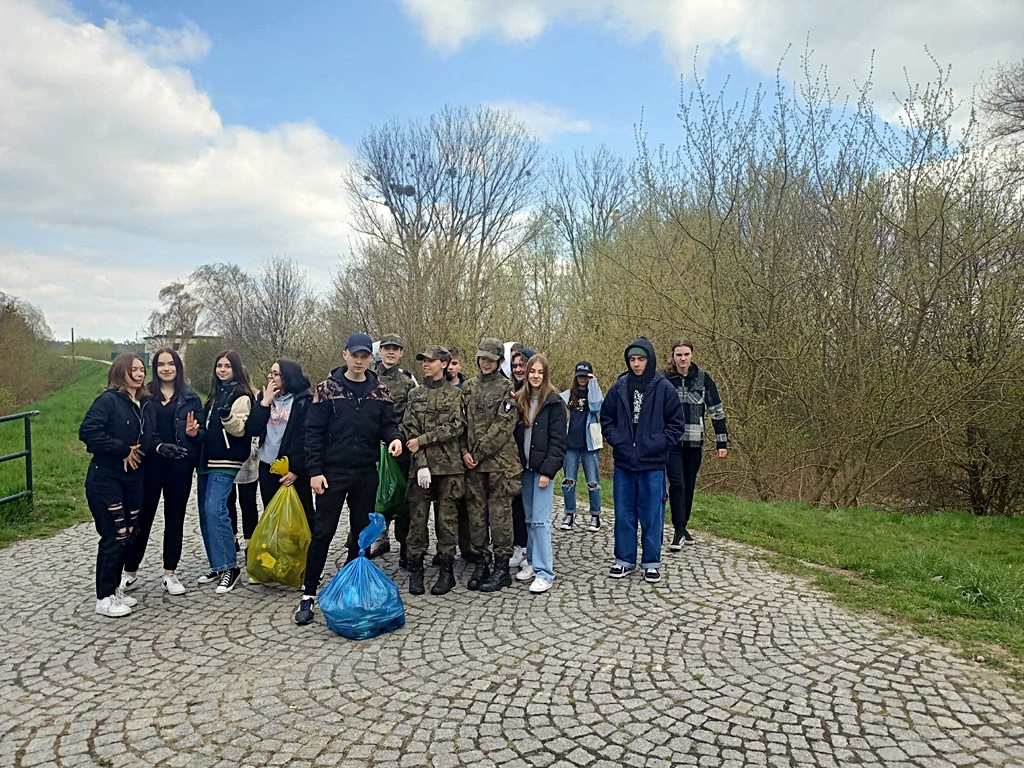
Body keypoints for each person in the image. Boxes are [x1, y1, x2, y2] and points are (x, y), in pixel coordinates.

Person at [295, 333, 404, 626]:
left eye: (364, 355)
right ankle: (308, 594)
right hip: (331, 473)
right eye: (354, 354)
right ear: (344, 355)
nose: (359, 360)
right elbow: (313, 434)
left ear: (372, 357)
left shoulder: (380, 392)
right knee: (323, 533)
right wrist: (315, 471)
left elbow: (388, 424)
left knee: (361, 533)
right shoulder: (326, 389)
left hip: (365, 473)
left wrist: (394, 439)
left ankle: (354, 586)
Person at [600, 337, 684, 584]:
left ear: (649, 359)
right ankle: (624, 559)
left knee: (652, 514)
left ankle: (651, 561)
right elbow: (607, 419)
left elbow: (676, 425)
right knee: (624, 513)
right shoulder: (619, 387)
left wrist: (653, 443)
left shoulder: (664, 388)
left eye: (641, 359)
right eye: (632, 359)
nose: (636, 364)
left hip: (653, 464)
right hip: (624, 463)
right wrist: (619, 441)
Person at [120, 347, 202, 597]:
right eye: (160, 364)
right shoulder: (146, 396)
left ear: (178, 367)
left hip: (179, 464)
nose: (166, 368)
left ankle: (170, 573)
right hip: (151, 463)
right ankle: (130, 571)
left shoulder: (190, 397)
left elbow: (201, 434)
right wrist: (155, 446)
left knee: (174, 518)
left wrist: (193, 434)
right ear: (154, 369)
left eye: (171, 364)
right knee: (142, 518)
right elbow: (140, 429)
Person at [79, 354, 150, 617]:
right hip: (106, 476)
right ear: (121, 372)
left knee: (129, 533)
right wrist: (121, 450)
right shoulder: (108, 401)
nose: (139, 374)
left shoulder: (141, 403)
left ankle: (115, 589)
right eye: (134, 369)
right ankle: (104, 596)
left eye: (142, 369)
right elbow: (88, 432)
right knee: (114, 534)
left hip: (132, 478)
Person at [402, 345, 466, 596]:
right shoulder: (415, 394)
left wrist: (424, 440)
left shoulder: (454, 394)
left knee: (446, 521)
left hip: (448, 467)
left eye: (430, 360)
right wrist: (421, 462)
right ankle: (416, 569)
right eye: (423, 361)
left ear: (444, 363)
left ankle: (446, 570)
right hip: (421, 467)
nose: (426, 364)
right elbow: (409, 429)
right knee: (417, 521)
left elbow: (456, 427)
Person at [462, 337, 522, 592]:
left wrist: (478, 451)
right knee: (476, 516)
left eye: (491, 359)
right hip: (473, 465)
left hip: (500, 464)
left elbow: (503, 425)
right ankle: (482, 561)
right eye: (482, 358)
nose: (485, 363)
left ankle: (501, 566)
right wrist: (465, 451)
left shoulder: (507, 388)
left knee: (500, 516)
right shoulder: (468, 387)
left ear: (499, 361)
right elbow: (460, 423)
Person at [195, 350, 254, 595]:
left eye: (227, 366)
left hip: (226, 459)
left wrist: (226, 415)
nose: (222, 370)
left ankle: (231, 566)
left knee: (215, 509)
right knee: (204, 512)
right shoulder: (213, 394)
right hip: (205, 459)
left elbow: (240, 429)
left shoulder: (241, 394)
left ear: (236, 369)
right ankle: (217, 565)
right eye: (219, 365)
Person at [665, 339, 728, 549]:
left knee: (689, 485)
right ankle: (678, 530)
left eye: (686, 354)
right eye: (678, 355)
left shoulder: (703, 379)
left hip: (694, 441)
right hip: (671, 442)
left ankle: (683, 526)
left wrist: (722, 442)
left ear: (692, 355)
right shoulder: (665, 379)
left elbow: (716, 410)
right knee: (677, 484)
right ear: (672, 356)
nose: (682, 359)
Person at [512, 354, 567, 594]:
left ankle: (545, 572)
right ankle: (532, 563)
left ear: (545, 375)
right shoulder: (521, 399)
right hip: (525, 468)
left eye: (539, 372)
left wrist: (548, 470)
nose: (535, 376)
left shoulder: (554, 403)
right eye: (531, 371)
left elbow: (558, 442)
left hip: (542, 470)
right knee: (529, 518)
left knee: (541, 521)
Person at [246, 359, 315, 528]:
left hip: (293, 467)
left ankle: (305, 552)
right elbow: (252, 429)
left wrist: (296, 469)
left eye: (275, 374)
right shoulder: (264, 397)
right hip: (268, 465)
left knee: (301, 514)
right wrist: (264, 403)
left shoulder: (303, 401)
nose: (270, 377)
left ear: (287, 377)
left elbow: (306, 437)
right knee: (272, 512)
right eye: (270, 372)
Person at [369, 333, 418, 564]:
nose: (390, 352)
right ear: (380, 351)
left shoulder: (408, 383)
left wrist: (396, 437)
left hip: (398, 450)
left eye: (395, 349)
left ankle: (404, 545)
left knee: (401, 496)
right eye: (386, 348)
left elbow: (411, 416)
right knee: (375, 497)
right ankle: (377, 538)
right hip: (371, 449)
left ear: (400, 353)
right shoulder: (368, 378)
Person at [559, 361, 604, 532]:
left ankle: (595, 515)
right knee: (568, 481)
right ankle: (569, 513)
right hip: (570, 444)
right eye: (580, 376)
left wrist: (594, 383)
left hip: (589, 444)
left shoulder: (595, 394)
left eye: (586, 376)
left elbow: (595, 406)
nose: (582, 379)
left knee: (593, 482)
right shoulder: (566, 396)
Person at [507, 345, 535, 570]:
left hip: (530, 457)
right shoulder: (511, 390)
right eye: (514, 365)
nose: (518, 369)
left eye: (522, 365)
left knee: (531, 507)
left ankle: (533, 551)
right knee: (516, 503)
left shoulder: (536, 393)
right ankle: (520, 545)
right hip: (512, 458)